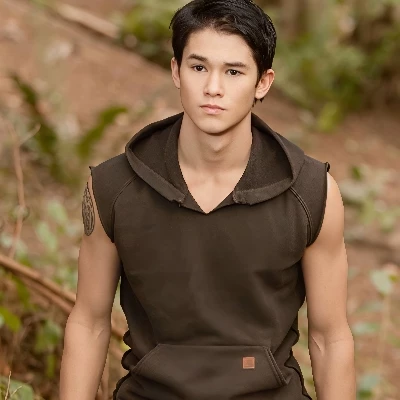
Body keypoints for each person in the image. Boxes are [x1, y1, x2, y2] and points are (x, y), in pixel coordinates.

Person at [59, 0, 356, 399]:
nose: (213, 88)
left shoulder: (312, 192)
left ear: (263, 82)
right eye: (199, 67)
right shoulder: (112, 186)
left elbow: (330, 337)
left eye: (234, 72)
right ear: (176, 71)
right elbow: (89, 322)